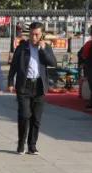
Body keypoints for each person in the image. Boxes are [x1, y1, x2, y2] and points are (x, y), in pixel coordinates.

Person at [7, 22, 56, 155]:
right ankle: (21, 144)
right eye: (32, 34)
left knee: (36, 118)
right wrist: (10, 82)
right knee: (24, 115)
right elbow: (14, 66)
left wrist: (43, 49)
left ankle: (32, 145)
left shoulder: (46, 47)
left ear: (41, 35)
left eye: (37, 35)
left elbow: (52, 63)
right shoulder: (22, 48)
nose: (34, 37)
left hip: (39, 86)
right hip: (24, 86)